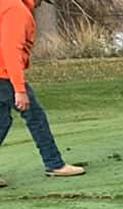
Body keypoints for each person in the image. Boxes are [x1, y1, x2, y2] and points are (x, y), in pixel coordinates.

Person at [0, 0, 84, 186]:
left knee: (3, 121)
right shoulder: (16, 10)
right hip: (4, 76)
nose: (41, 4)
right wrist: (20, 90)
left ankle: (54, 163)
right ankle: (55, 164)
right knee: (35, 117)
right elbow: (10, 51)